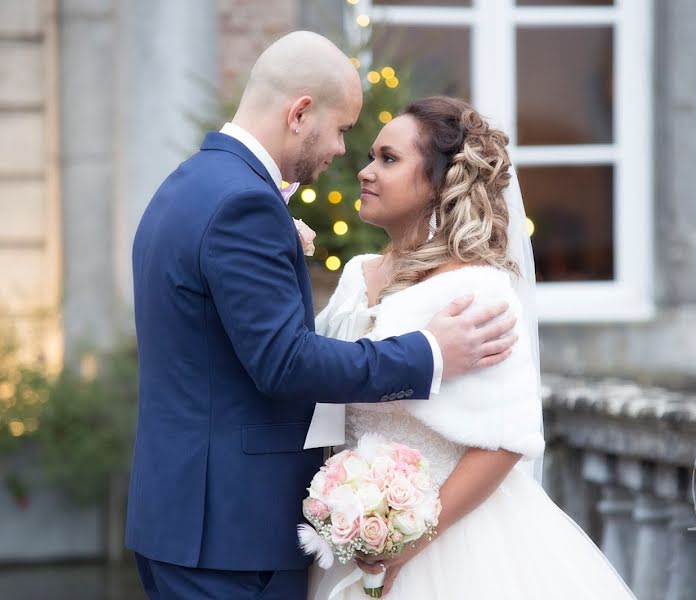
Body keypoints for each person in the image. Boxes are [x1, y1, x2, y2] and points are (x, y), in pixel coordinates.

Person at [126, 33, 517, 600]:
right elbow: (284, 362)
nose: (342, 152)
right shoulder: (244, 204)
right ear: (300, 113)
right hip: (231, 536)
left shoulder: (191, 185)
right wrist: (431, 352)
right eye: (341, 130)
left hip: (187, 521)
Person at [307, 96, 635, 598]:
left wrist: (414, 539)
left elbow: (506, 440)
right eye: (371, 156)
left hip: (455, 546)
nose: (366, 172)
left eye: (388, 159)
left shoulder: (477, 290)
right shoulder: (355, 277)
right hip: (351, 540)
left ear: (439, 183)